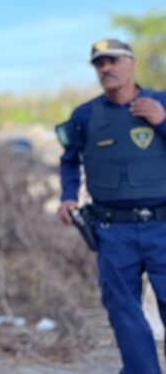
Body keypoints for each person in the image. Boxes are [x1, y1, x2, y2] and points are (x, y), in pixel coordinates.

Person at [56, 38, 166, 374]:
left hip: (163, 227)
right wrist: (68, 195)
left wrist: (162, 122)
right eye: (99, 63)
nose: (106, 68)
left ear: (131, 64)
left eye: (113, 60)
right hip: (112, 230)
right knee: (123, 310)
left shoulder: (162, 103)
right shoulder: (85, 115)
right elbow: (69, 160)